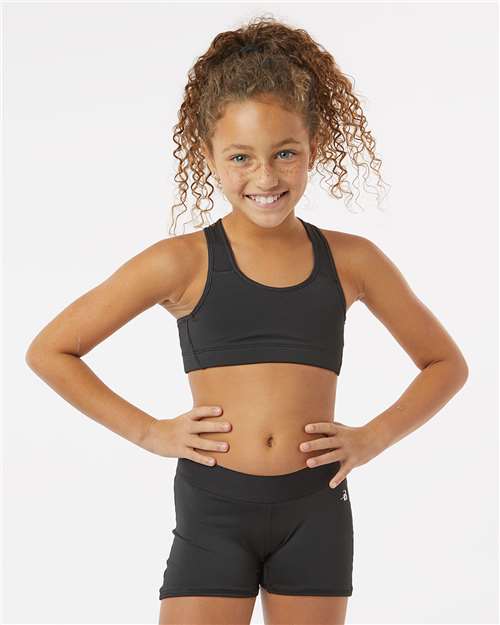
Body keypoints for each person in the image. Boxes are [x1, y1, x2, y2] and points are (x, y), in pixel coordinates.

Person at [25, 15, 469, 625]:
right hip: (214, 508)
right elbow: (51, 350)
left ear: (314, 146)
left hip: (315, 507)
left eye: (285, 153)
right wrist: (150, 432)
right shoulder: (180, 262)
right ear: (207, 155)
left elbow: (445, 364)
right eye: (241, 157)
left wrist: (373, 437)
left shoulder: (353, 260)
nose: (265, 178)